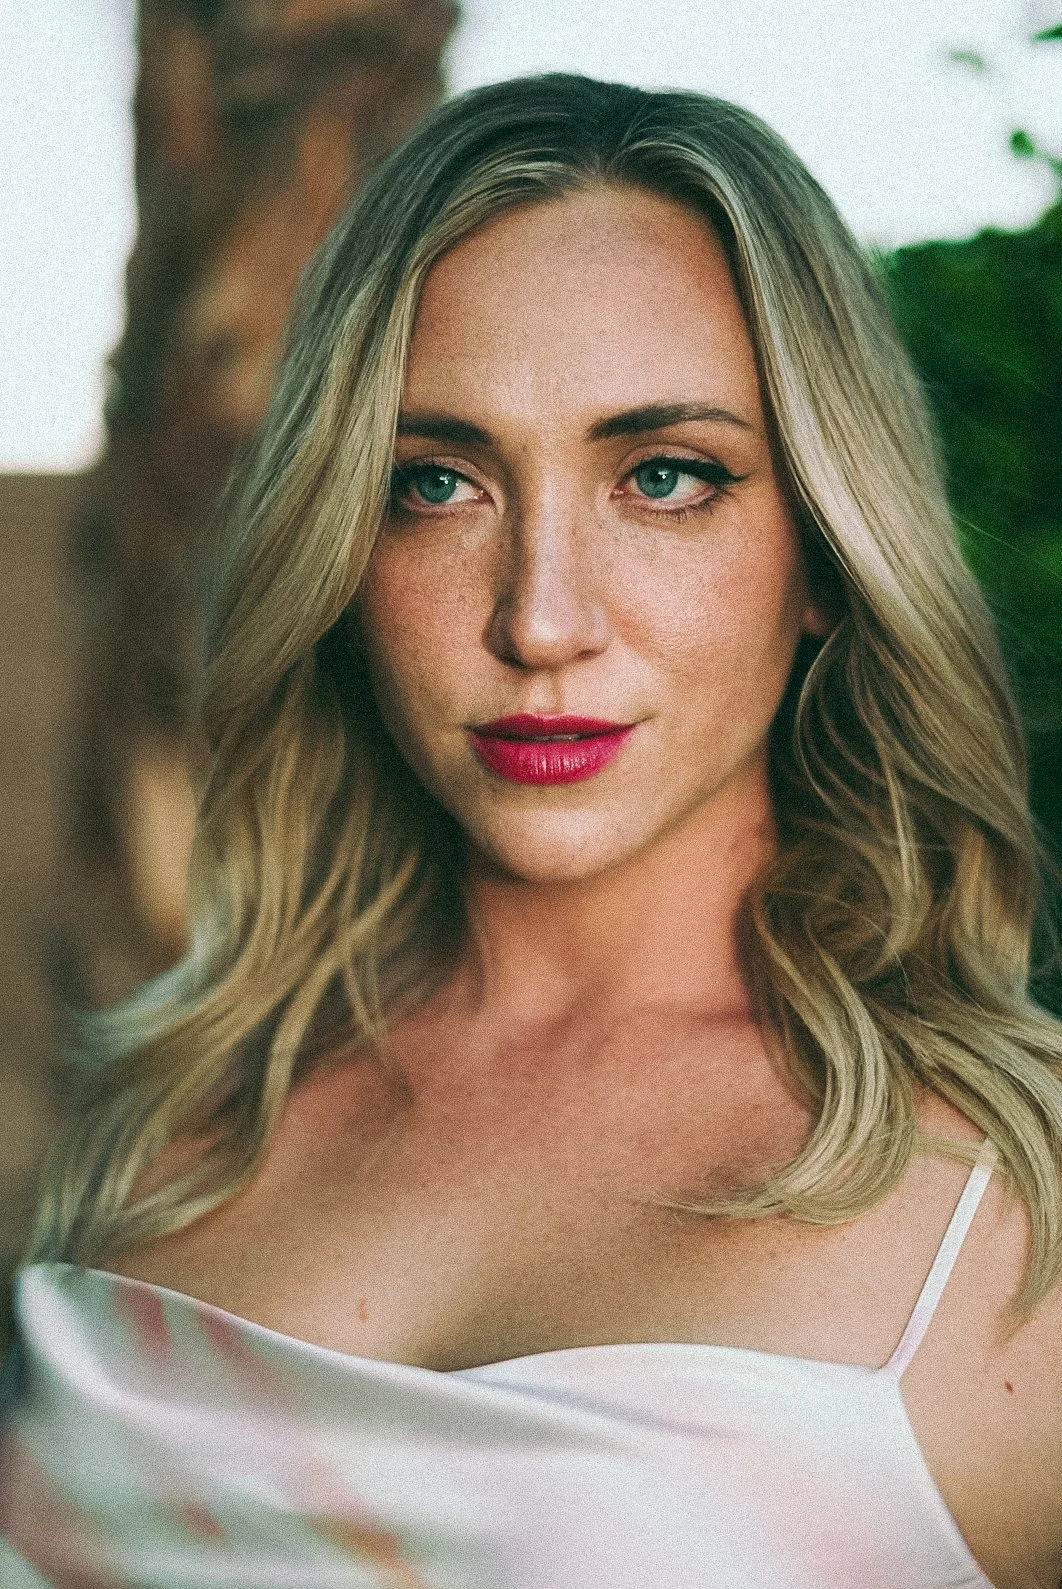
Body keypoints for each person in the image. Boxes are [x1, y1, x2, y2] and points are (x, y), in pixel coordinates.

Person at [3, 72, 1061, 1589]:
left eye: (664, 477)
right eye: (432, 483)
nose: (540, 616)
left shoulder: (1016, 1216)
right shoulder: (168, 1117)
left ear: (824, 552)